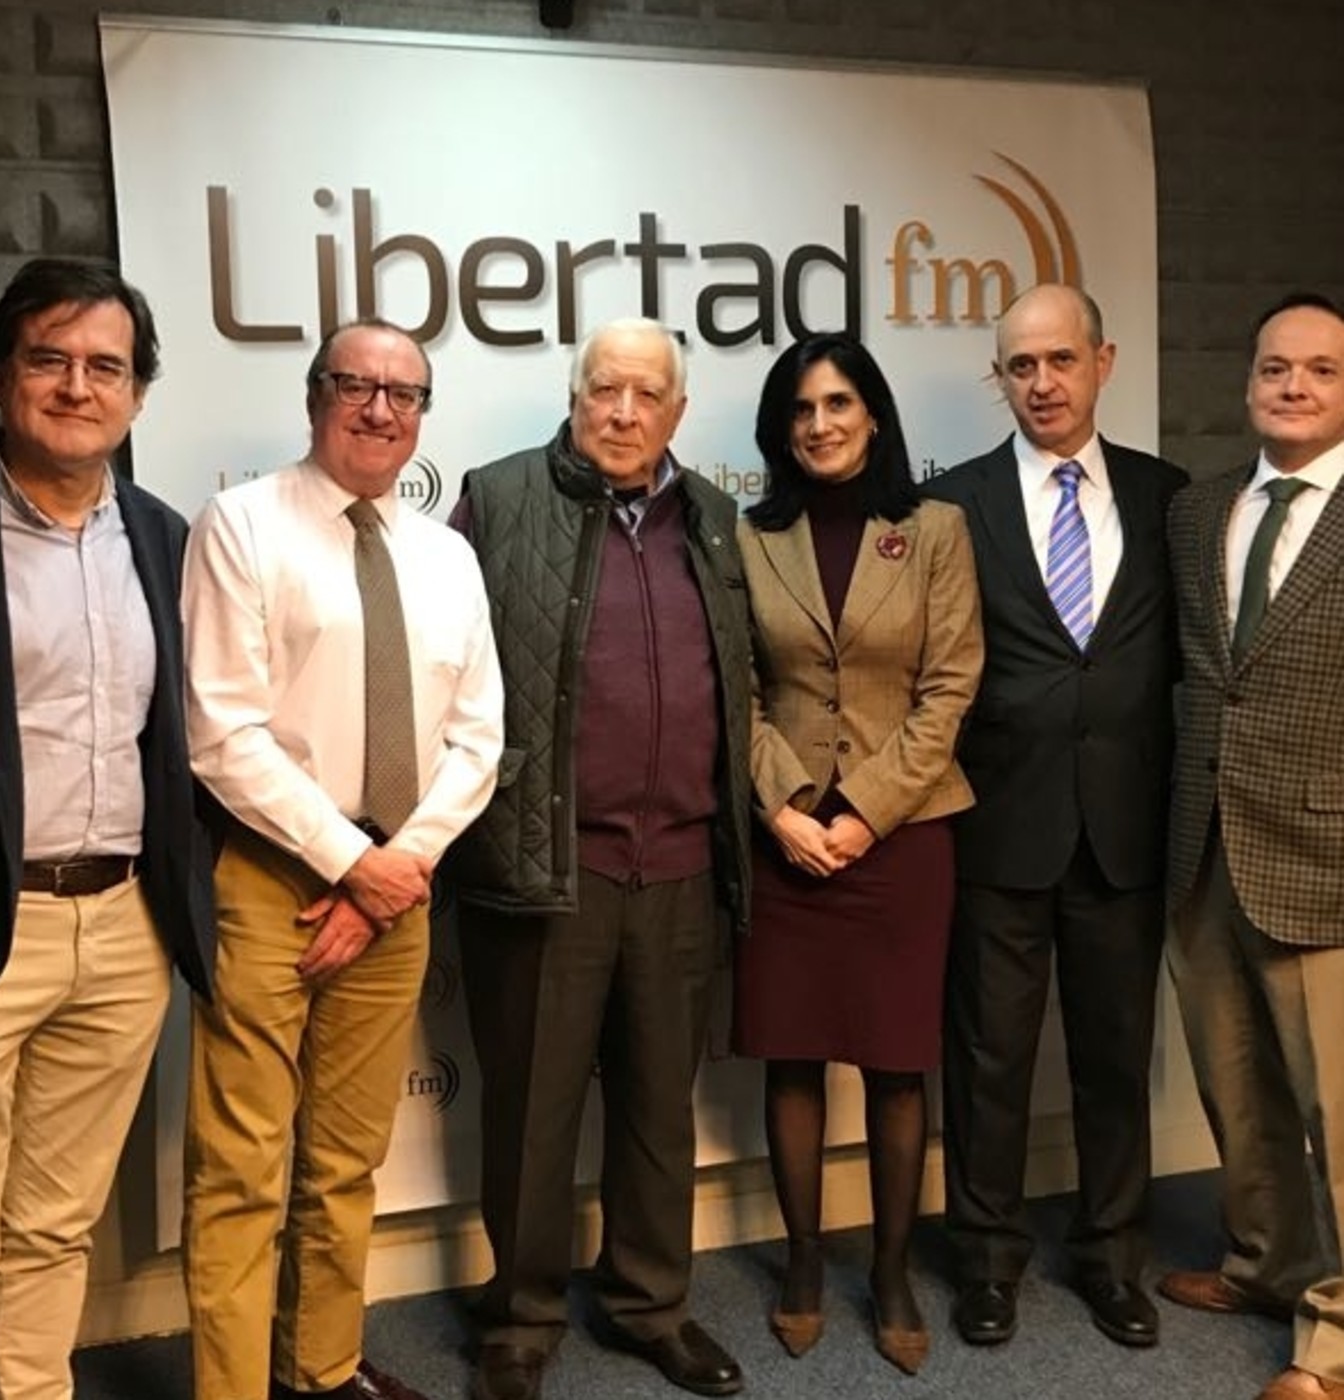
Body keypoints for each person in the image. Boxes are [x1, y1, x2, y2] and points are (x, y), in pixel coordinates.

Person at [181, 318, 503, 1400]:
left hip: (398, 883)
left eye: (403, 393)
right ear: (315, 396)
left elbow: (479, 739)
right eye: (355, 385)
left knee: (346, 1160)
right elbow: (221, 730)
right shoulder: (241, 525)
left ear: (422, 416)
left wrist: (393, 869)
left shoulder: (446, 556)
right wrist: (346, 863)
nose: (379, 409)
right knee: (240, 1167)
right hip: (270, 877)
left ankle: (317, 1371)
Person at [447, 317, 752, 1400]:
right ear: (573, 397)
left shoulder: (713, 516)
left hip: (677, 868)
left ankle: (649, 1303)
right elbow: (444, 670)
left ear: (678, 411)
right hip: (545, 867)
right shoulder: (497, 497)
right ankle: (521, 1317)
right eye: (603, 390)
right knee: (532, 1113)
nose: (622, 413)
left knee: (660, 1111)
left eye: (646, 394)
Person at [0, 258, 216, 1400]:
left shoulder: (161, 535)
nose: (76, 386)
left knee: (56, 1226)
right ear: (0, 372)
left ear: (138, 393)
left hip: (119, 930)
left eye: (106, 366)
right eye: (49, 359)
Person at [923, 283, 1186, 1349]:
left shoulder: (1169, 498)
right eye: (1019, 366)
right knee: (986, 1059)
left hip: (1125, 829)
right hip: (998, 827)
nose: (1041, 383)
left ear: (1101, 362)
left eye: (1059, 360)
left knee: (1114, 1061)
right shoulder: (951, 504)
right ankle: (985, 1262)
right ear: (1001, 377)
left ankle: (1112, 1258)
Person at [734, 333, 981, 1375]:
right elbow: (737, 691)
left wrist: (867, 812)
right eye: (801, 409)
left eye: (838, 403)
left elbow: (950, 684)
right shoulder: (748, 537)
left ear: (873, 416)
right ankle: (801, 1260)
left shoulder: (932, 529)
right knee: (791, 1055)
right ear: (779, 428)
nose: (820, 424)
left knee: (895, 1063)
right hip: (787, 839)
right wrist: (785, 806)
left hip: (903, 837)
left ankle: (888, 1270)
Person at [1159, 293, 1344, 1400]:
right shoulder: (1201, 509)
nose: (1293, 387)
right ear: (1247, 381)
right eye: (1275, 367)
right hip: (1205, 843)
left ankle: (1333, 1345)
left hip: (1328, 849)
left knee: (1338, 1114)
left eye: (1320, 370)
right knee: (1237, 1085)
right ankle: (1268, 1266)